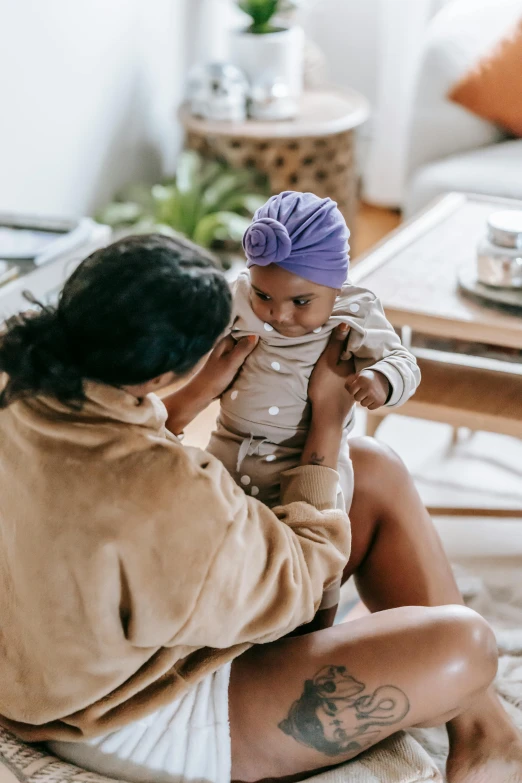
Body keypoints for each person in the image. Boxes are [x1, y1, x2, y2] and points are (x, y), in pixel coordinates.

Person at [0, 234, 519, 783]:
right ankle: (489, 731)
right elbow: (300, 580)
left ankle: (489, 734)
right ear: (158, 376)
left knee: (368, 466)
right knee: (466, 645)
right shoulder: (168, 488)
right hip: (121, 717)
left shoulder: (25, 375)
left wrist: (189, 399)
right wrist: (325, 419)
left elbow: (98, 466)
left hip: (61, 659)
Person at [205, 191, 420, 625]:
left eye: (301, 302)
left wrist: (379, 380)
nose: (279, 314)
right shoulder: (238, 299)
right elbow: (199, 342)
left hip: (308, 459)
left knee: (320, 549)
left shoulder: (354, 310)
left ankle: (313, 632)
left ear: (336, 285)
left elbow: (403, 361)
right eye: (265, 295)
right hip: (230, 447)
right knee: (220, 537)